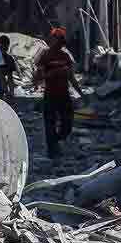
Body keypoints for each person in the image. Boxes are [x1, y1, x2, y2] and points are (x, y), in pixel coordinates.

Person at [33, 27, 84, 159]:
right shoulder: (44, 56)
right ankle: (53, 151)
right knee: (50, 123)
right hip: (50, 94)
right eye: (57, 39)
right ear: (52, 39)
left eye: (61, 39)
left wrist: (80, 93)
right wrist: (49, 74)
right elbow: (37, 78)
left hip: (64, 95)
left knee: (68, 123)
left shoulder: (66, 57)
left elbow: (71, 77)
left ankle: (57, 139)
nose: (59, 42)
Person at [0, 35, 18, 104]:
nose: (4, 48)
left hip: (0, 90)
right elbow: (0, 75)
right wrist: (7, 91)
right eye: (2, 46)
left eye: (5, 46)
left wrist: (11, 93)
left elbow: (10, 78)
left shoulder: (9, 59)